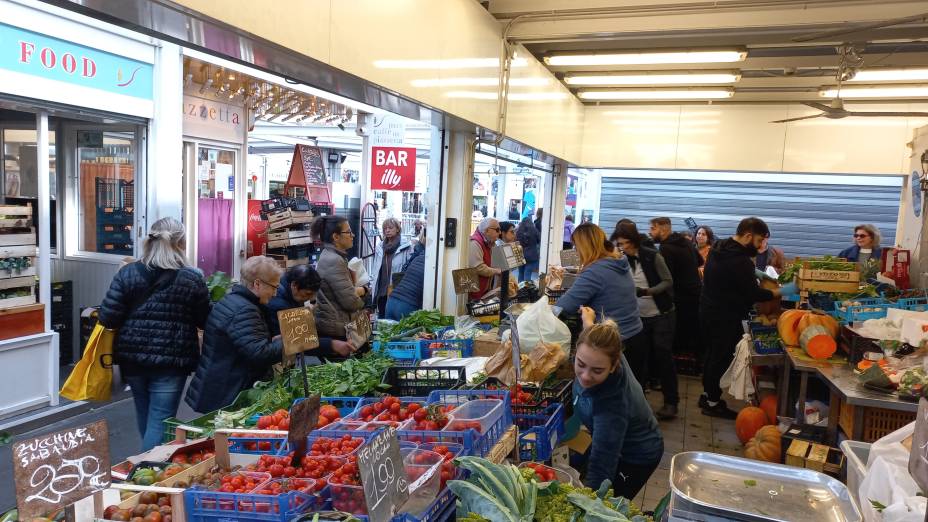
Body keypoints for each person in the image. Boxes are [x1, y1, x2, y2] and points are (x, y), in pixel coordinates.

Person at [98, 218, 209, 451]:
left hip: (132, 359)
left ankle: (146, 459)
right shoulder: (192, 278)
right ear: (181, 243)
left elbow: (108, 317)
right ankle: (147, 466)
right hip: (171, 361)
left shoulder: (127, 273)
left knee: (145, 415)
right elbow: (203, 319)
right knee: (160, 420)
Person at [700, 217, 797, 418]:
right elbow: (754, 294)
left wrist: (756, 272)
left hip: (708, 310)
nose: (760, 246)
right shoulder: (740, 260)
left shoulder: (720, 246)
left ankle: (707, 394)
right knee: (720, 357)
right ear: (747, 236)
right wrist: (782, 291)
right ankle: (712, 403)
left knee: (711, 354)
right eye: (759, 240)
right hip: (725, 316)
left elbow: (731, 270)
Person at [572, 315, 664, 498]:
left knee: (611, 504)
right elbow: (594, 337)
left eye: (597, 370)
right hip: (612, 440)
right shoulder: (602, 350)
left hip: (637, 455)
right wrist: (587, 321)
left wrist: (588, 503)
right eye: (580, 364)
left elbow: (602, 464)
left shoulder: (612, 405)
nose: (585, 376)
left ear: (614, 365)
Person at [185, 256, 287, 414]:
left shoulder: (234, 300)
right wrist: (289, 341)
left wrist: (273, 342)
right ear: (257, 284)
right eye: (274, 287)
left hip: (220, 387)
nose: (275, 293)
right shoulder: (244, 310)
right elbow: (259, 353)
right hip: (228, 393)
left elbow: (247, 343)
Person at [554, 224, 646, 371]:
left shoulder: (596, 270)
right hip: (636, 335)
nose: (576, 252)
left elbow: (564, 307)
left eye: (576, 247)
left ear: (584, 247)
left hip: (615, 342)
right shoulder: (617, 262)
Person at [612, 222, 679, 420]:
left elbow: (668, 281)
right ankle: (638, 403)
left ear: (633, 241)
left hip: (661, 314)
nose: (621, 247)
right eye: (619, 244)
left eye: (624, 243)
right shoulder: (621, 259)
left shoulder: (652, 255)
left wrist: (647, 292)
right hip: (637, 317)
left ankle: (671, 401)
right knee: (639, 360)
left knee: (663, 356)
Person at [266, 264, 355, 359]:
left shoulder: (292, 294)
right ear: (294, 285)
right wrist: (332, 344)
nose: (310, 298)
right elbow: (293, 342)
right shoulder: (278, 305)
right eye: (308, 293)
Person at [650, 217, 703, 360]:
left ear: (662, 230)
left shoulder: (665, 248)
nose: (650, 232)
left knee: (680, 337)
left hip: (682, 298)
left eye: (653, 228)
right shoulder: (685, 241)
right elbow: (700, 261)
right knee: (692, 334)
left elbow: (667, 279)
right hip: (696, 294)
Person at [313, 215, 369, 341]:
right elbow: (351, 302)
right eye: (348, 232)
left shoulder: (330, 255)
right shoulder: (334, 260)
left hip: (332, 324)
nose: (353, 235)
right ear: (336, 237)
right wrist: (364, 291)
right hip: (335, 328)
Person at [370, 218, 415, 316]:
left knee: (395, 319)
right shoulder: (380, 247)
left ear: (397, 229)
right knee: (382, 318)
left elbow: (409, 269)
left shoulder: (406, 247)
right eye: (385, 228)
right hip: (382, 291)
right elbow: (375, 269)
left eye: (390, 228)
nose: (387, 230)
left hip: (398, 291)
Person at [386, 230, 427, 321]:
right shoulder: (431, 264)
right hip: (407, 306)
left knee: (389, 330)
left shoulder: (416, 258)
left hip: (392, 301)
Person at [468, 218, 502, 300]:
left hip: (484, 290)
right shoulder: (475, 243)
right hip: (475, 293)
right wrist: (497, 271)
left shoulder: (488, 243)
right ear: (487, 231)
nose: (500, 233)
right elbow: (478, 268)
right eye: (497, 230)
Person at [516, 216, 540, 282]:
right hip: (532, 255)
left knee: (521, 273)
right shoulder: (534, 230)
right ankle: (526, 288)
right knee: (527, 273)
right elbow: (539, 240)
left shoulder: (518, 231)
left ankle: (520, 287)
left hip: (520, 254)